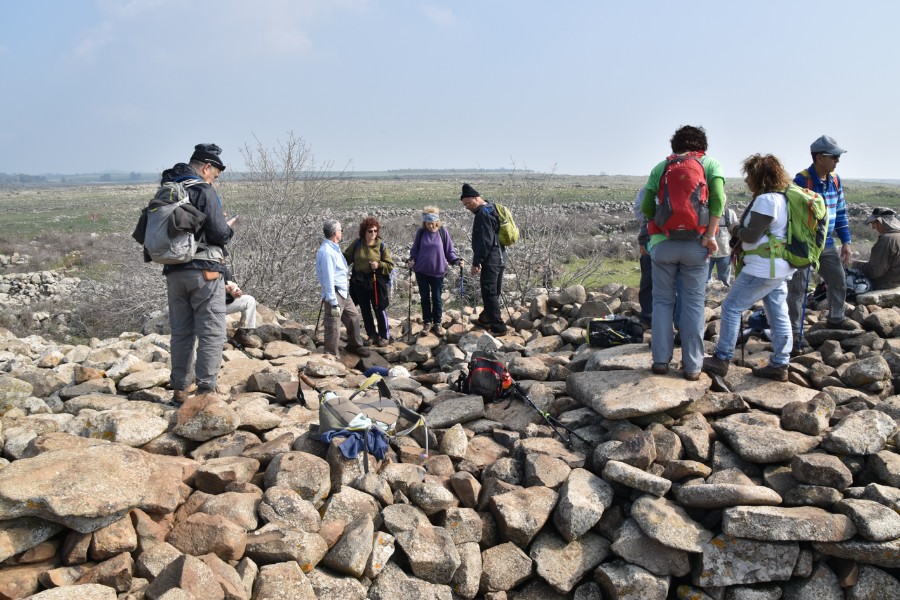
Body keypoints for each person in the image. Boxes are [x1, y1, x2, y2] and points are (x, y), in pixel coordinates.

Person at [702, 154, 797, 382]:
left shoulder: (766, 201)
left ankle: (722, 359)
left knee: (732, 307)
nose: (746, 181)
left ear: (760, 177)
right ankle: (780, 363)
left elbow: (751, 237)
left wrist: (734, 228)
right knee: (777, 311)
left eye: (749, 176)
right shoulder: (784, 199)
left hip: (762, 268)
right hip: (780, 267)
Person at [641, 125, 724, 380]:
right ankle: (692, 366)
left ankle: (660, 361)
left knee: (662, 302)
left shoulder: (661, 167)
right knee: (693, 305)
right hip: (696, 245)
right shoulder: (710, 165)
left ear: (674, 146)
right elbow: (718, 199)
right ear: (701, 147)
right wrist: (710, 235)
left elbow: (646, 205)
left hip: (663, 244)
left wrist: (659, 228)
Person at [162, 143, 234, 403]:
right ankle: (206, 391)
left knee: (181, 332)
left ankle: (180, 389)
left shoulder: (169, 188)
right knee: (212, 331)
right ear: (206, 167)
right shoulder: (204, 191)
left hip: (173, 271)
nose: (213, 179)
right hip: (205, 271)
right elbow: (218, 234)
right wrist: (227, 227)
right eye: (214, 174)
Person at [787, 135, 853, 341]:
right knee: (798, 288)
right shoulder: (801, 181)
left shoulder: (835, 180)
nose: (837, 161)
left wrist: (847, 242)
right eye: (833, 156)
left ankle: (836, 319)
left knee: (838, 280)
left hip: (826, 243)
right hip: (803, 245)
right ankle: (793, 332)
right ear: (819, 158)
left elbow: (840, 212)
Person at [315, 219, 370, 358]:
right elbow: (328, 277)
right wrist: (332, 301)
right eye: (340, 230)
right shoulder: (327, 252)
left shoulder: (334, 247)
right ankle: (331, 353)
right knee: (333, 324)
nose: (341, 232)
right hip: (335, 293)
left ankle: (355, 345)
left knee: (353, 317)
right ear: (335, 233)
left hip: (343, 292)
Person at [407, 206, 464, 336]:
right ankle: (427, 322)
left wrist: (456, 261)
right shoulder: (421, 232)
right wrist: (411, 259)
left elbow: (450, 252)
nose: (431, 225)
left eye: (433, 223)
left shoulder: (443, 232)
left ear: (437, 221)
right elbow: (415, 250)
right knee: (425, 298)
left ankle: (437, 323)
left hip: (438, 271)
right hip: (421, 271)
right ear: (425, 223)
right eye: (428, 223)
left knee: (437, 298)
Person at [460, 183, 508, 335]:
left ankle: (498, 328)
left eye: (468, 203)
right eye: (465, 205)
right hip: (501, 257)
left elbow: (484, 241)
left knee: (489, 292)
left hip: (491, 259)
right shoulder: (492, 208)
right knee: (495, 291)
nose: (467, 207)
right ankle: (485, 319)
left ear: (476, 198)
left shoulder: (482, 214)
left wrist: (476, 262)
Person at [344, 217, 395, 347]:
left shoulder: (381, 246)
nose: (373, 234)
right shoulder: (357, 244)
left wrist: (378, 265)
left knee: (379, 308)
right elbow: (345, 258)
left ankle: (384, 335)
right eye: (370, 231)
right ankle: (372, 334)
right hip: (359, 282)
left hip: (376, 281)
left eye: (375, 231)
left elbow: (389, 265)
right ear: (364, 232)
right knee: (365, 309)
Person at [851, 208, 900, 290]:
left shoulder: (887, 240)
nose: (873, 227)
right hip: (896, 282)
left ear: (881, 222)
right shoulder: (896, 237)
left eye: (874, 223)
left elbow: (874, 272)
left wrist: (854, 264)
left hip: (884, 284)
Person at [223, 265, 261, 348]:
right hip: (209, 305)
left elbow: (230, 283)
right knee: (221, 340)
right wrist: (222, 288)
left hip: (224, 304)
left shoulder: (222, 267)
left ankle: (242, 334)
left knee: (249, 300)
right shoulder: (205, 265)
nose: (222, 259)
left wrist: (236, 292)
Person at [634, 187, 653, 327]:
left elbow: (639, 213)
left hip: (650, 240)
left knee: (647, 279)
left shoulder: (647, 189)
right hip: (673, 240)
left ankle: (647, 316)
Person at [707, 202, 738, 286]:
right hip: (707, 254)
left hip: (725, 254)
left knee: (724, 283)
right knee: (704, 281)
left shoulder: (730, 213)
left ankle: (723, 297)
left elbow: (736, 232)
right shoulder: (706, 212)